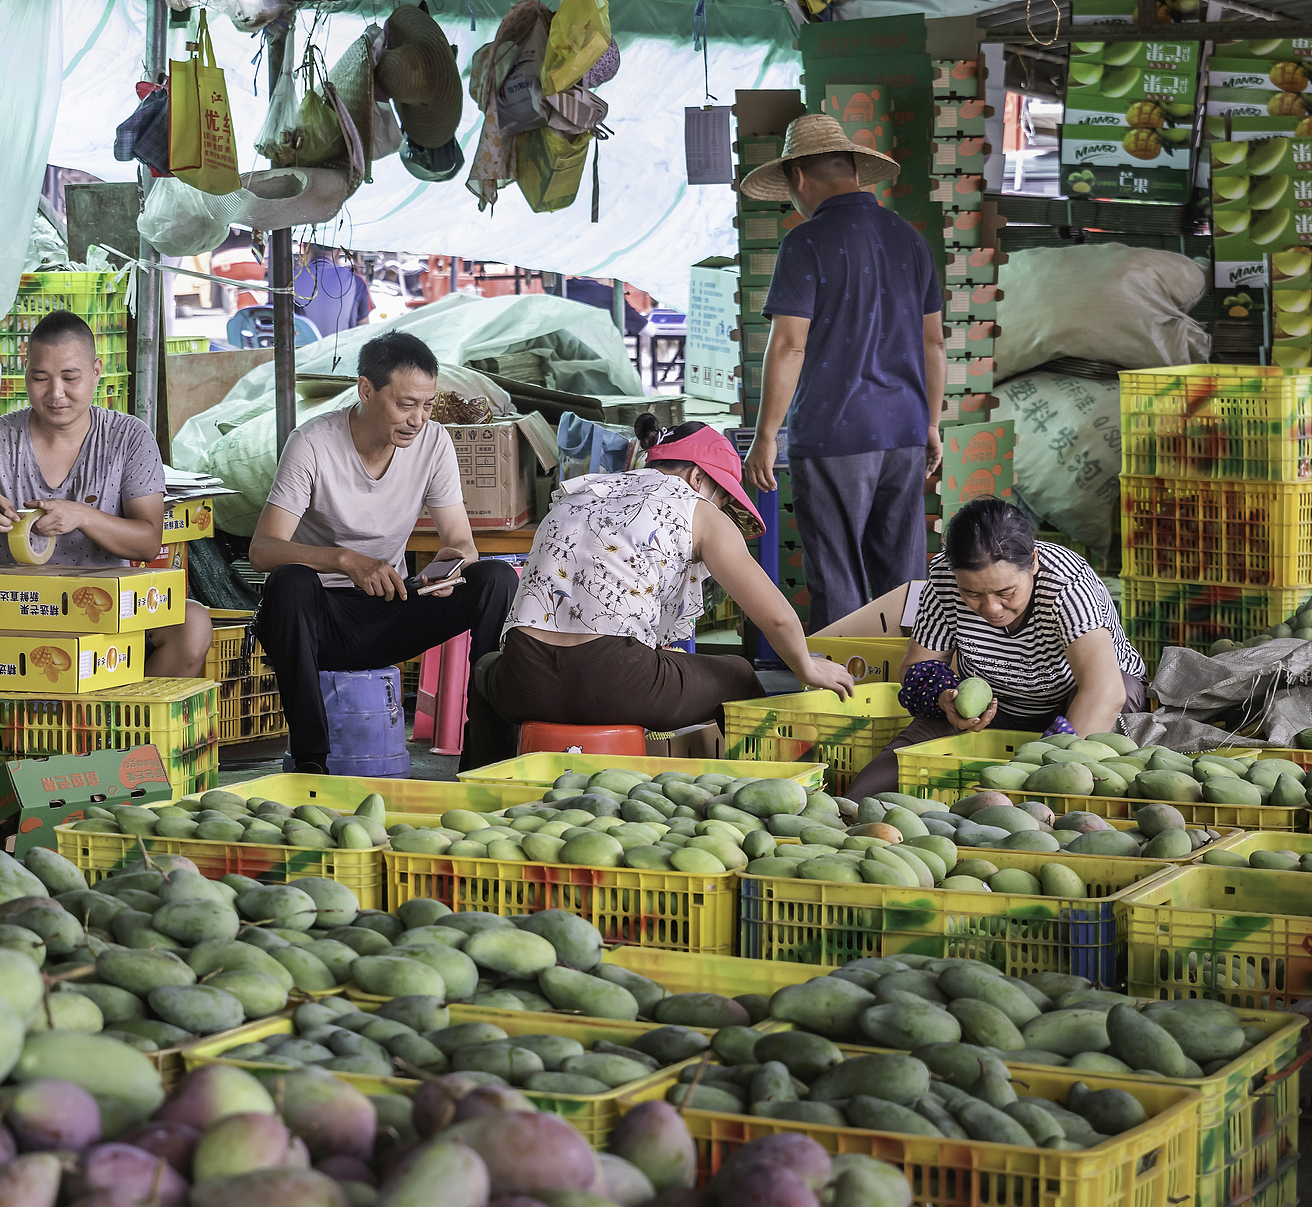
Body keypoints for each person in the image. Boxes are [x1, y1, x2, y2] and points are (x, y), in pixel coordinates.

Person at [473, 419, 855, 764]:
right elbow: (776, 615)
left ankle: (480, 782)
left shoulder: (581, 492)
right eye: (723, 496)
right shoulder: (699, 510)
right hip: (617, 681)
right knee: (738, 674)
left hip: (524, 680)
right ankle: (749, 791)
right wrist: (804, 664)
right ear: (698, 478)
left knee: (485, 668)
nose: (720, 506)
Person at [251, 332, 518, 773]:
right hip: (321, 622)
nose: (418, 419)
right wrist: (343, 560)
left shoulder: (434, 443)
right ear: (366, 390)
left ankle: (487, 753)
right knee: (289, 583)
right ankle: (311, 759)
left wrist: (445, 569)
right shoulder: (313, 443)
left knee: (496, 580)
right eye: (405, 404)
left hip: (392, 606)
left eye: (427, 405)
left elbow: (462, 542)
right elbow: (263, 549)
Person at [0, 309, 211, 677]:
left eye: (70, 377)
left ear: (96, 371)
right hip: (9, 609)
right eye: (40, 378)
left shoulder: (128, 437)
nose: (56, 393)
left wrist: (82, 516)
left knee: (193, 623)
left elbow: (148, 541)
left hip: (102, 611)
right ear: (26, 375)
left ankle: (125, 727)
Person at [740, 113, 947, 633]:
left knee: (837, 576)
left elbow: (789, 345)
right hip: (903, 430)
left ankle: (848, 698)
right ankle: (911, 690)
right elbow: (934, 341)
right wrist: (931, 424)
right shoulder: (909, 238)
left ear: (798, 178)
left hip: (834, 432)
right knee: (904, 580)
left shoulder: (805, 243)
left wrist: (766, 437)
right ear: (855, 170)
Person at [845, 498, 1149, 801]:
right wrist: (945, 699)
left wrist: (1040, 771)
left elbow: (1105, 692)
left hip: (1076, 705)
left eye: (1006, 592)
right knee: (873, 788)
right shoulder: (943, 577)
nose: (991, 609)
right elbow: (916, 667)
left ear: (1033, 561)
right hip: (992, 708)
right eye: (971, 594)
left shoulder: (1066, 584)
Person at [293, 248, 373, 337]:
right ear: (338, 252)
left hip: (302, 350)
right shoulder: (356, 282)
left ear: (304, 248)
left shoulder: (289, 281)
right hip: (343, 349)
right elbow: (364, 328)